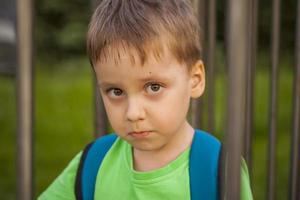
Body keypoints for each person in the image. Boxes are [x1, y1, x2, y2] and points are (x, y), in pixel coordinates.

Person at [39, 0, 253, 199]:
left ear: (195, 80)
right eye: (115, 91)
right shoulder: (92, 165)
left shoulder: (219, 171)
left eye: (153, 87)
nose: (133, 113)